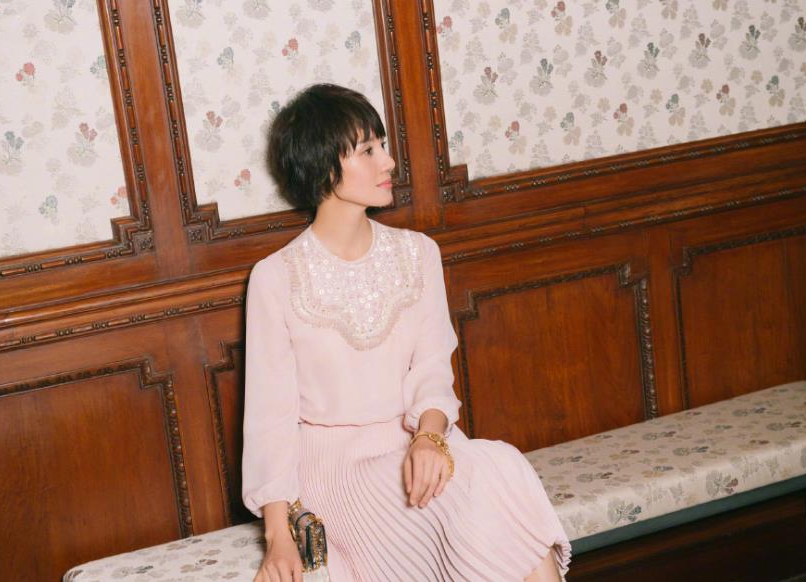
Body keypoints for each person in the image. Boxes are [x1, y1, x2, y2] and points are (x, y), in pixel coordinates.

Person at [242, 83, 571, 582]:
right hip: (336, 471)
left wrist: (430, 439)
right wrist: (279, 537)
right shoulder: (275, 278)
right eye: (368, 150)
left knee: (498, 467)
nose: (389, 161)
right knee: (487, 488)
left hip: (418, 444)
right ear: (323, 167)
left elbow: (433, 367)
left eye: (383, 145)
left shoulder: (419, 253)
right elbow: (271, 418)